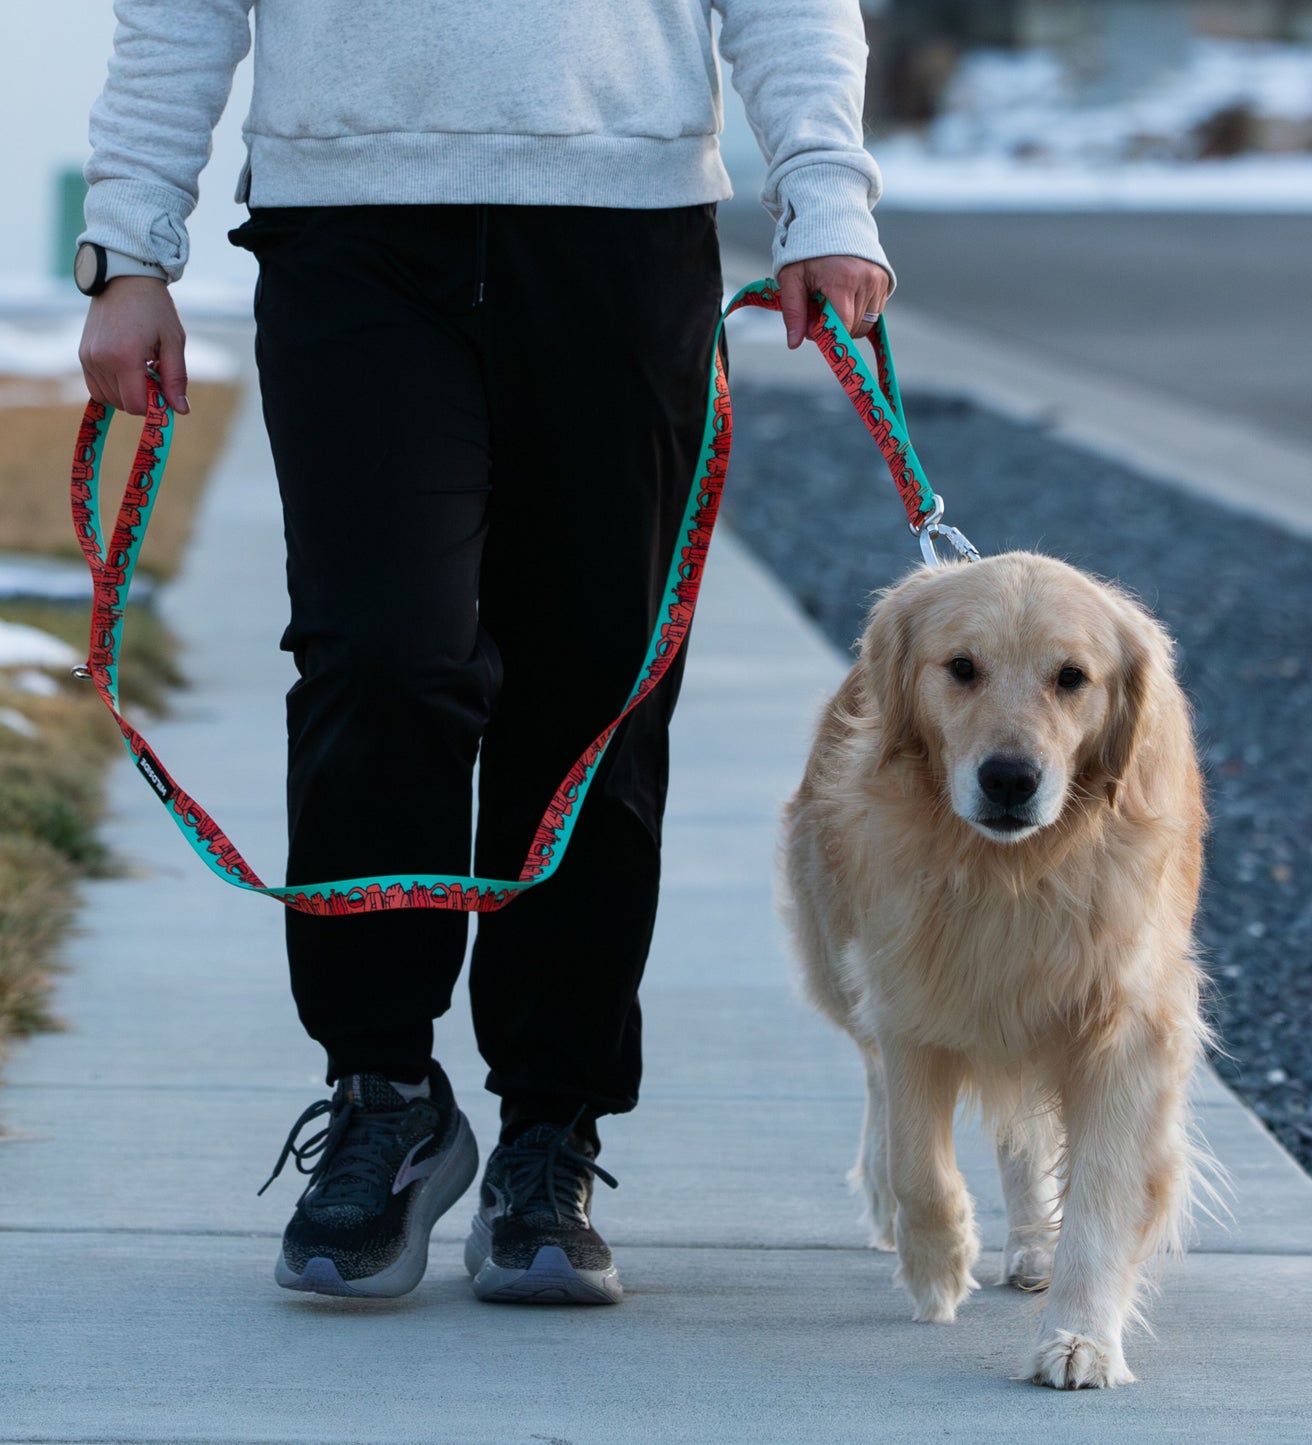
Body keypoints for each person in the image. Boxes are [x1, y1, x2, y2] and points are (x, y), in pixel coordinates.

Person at [76, 0, 892, 1306]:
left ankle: (548, 1131)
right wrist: (131, 248)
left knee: (591, 693)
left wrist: (825, 194)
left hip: (621, 232)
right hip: (350, 232)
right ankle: (383, 1092)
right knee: (379, 658)